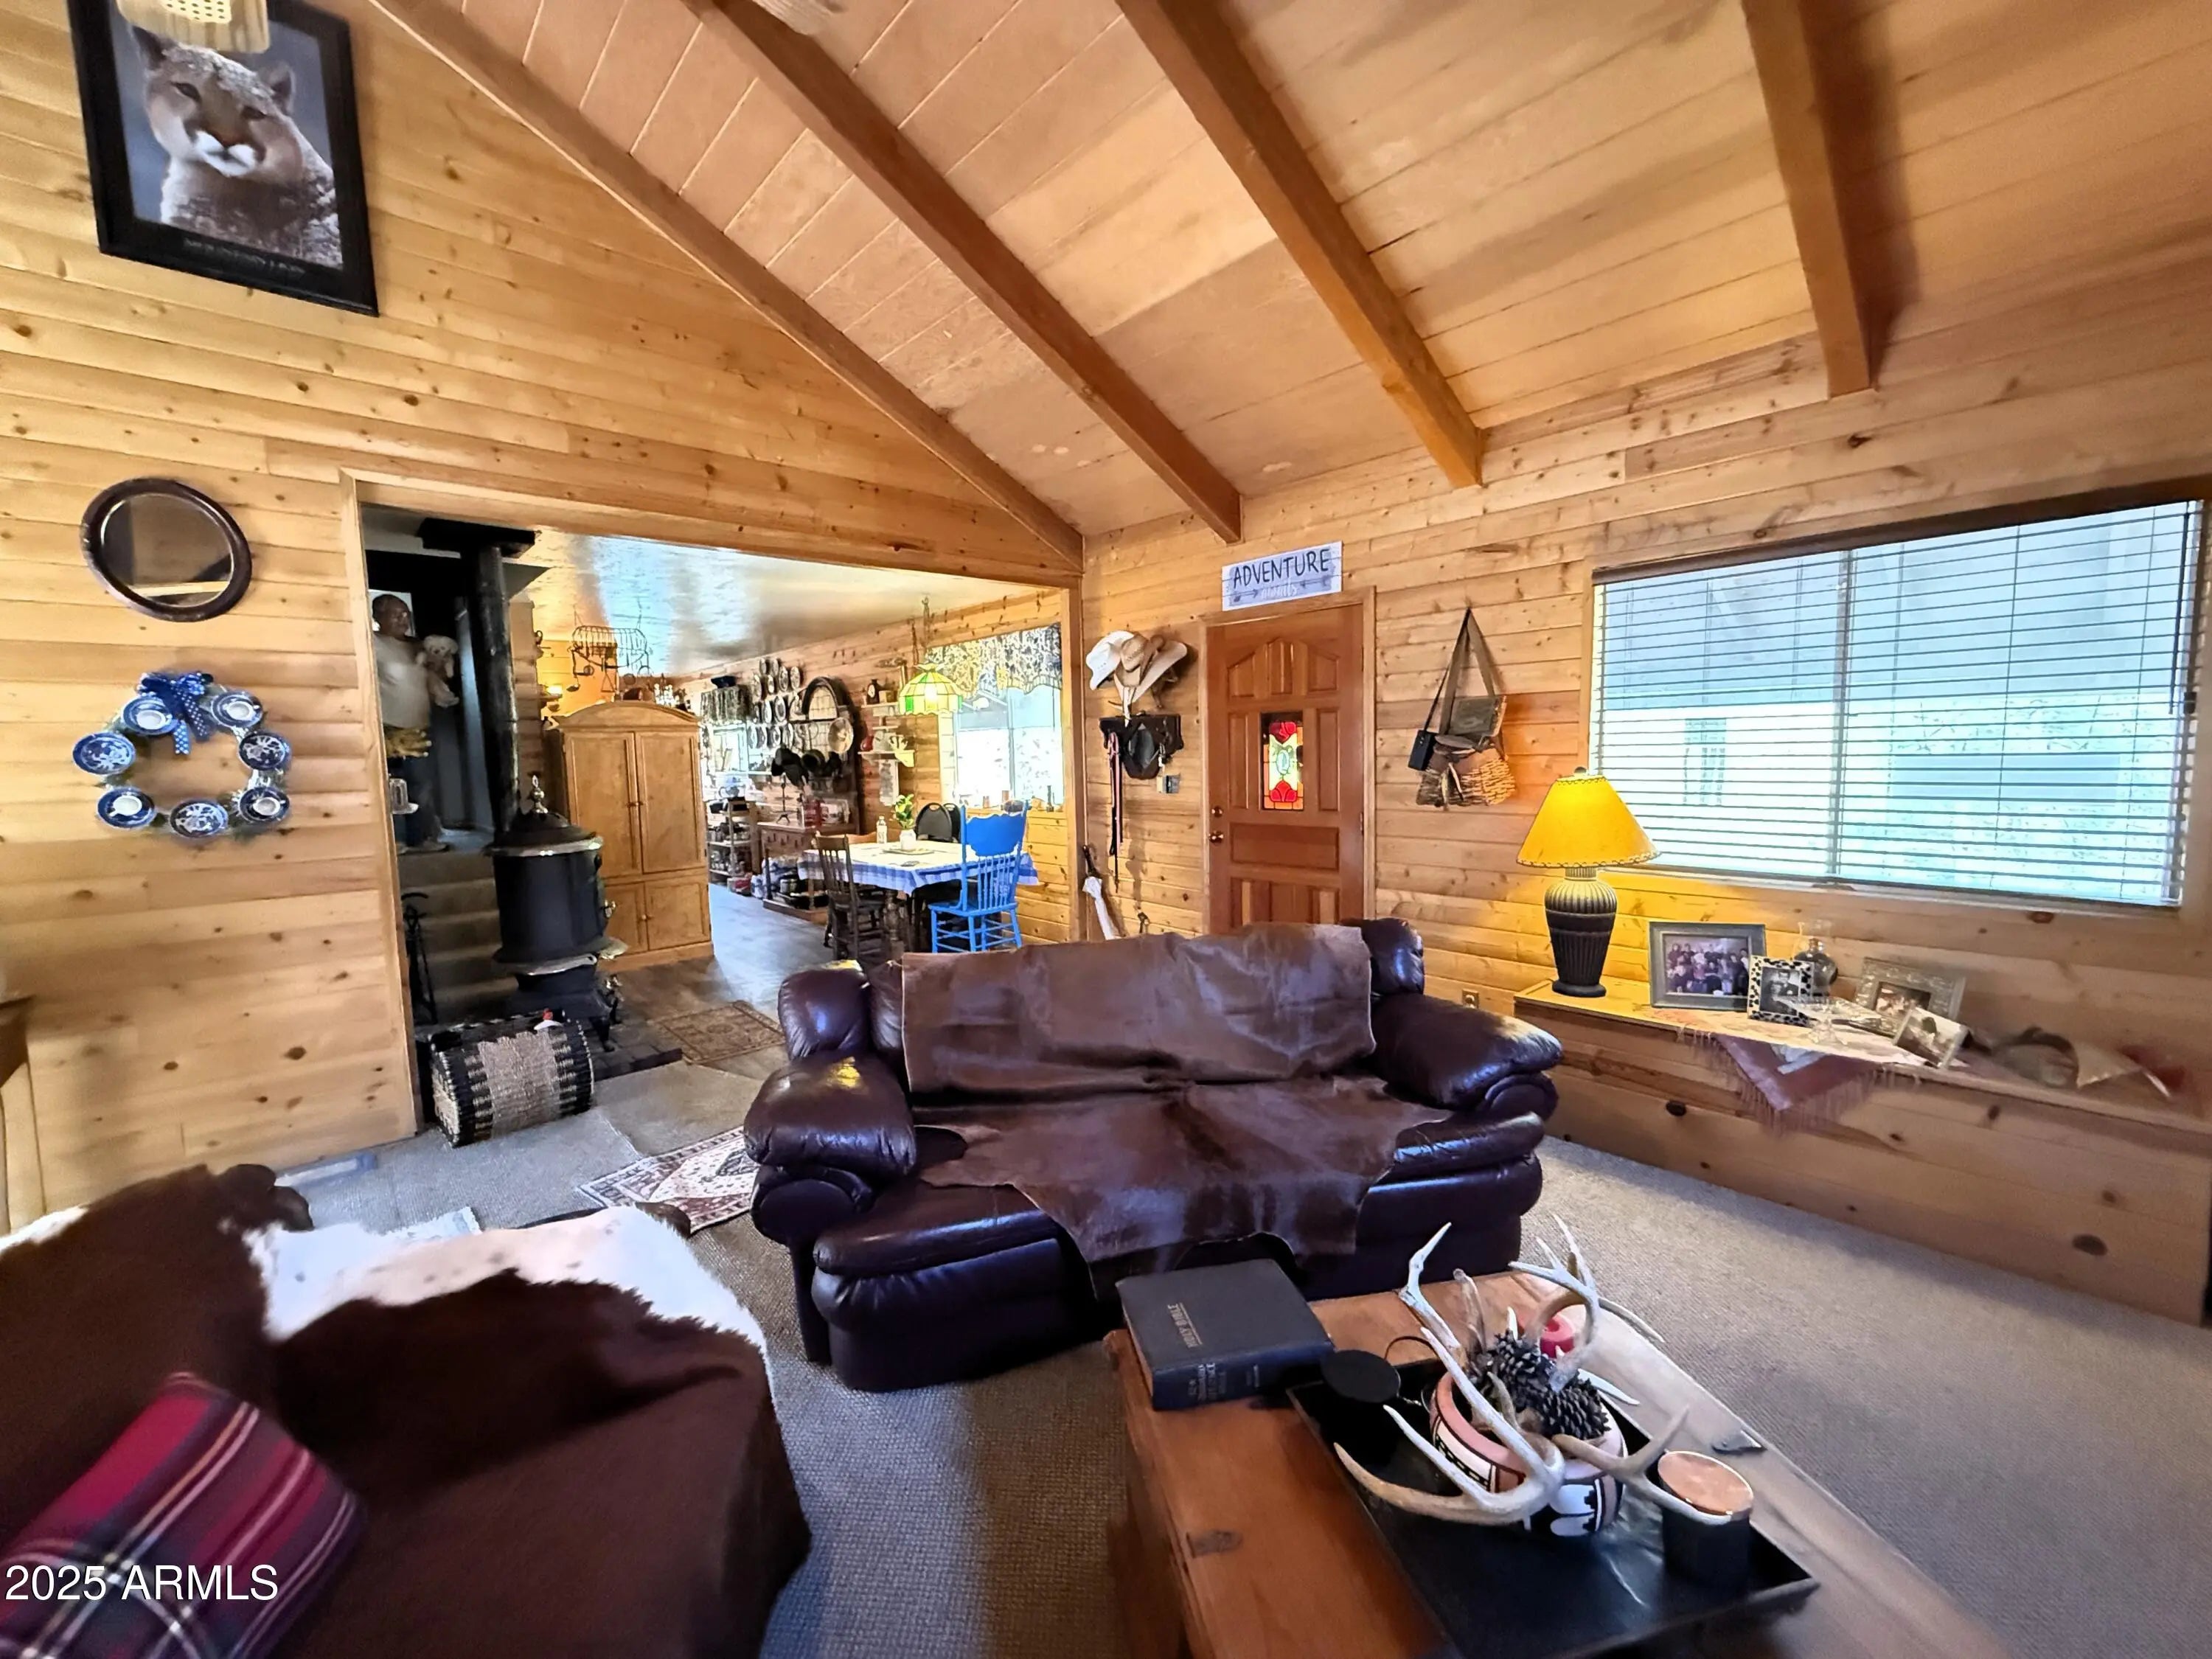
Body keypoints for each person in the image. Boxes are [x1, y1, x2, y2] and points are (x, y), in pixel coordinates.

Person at [372, 594, 457, 851]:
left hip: (419, 723)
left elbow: (438, 678)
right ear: (378, 617)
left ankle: (422, 838)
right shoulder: (371, 642)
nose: (403, 618)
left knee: (421, 785)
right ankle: (394, 840)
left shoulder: (418, 645)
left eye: (406, 613)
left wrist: (440, 665)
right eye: (396, 614)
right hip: (387, 725)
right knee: (391, 785)